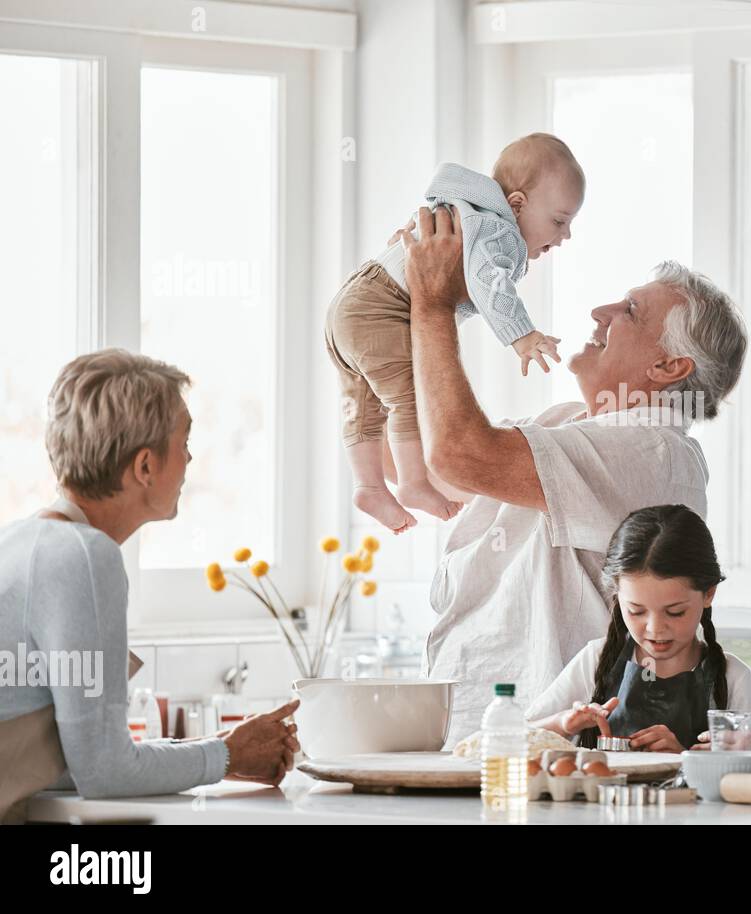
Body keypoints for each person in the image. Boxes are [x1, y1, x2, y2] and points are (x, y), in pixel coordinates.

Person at [392, 205, 748, 742]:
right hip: (482, 736)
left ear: (670, 368)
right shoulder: (568, 423)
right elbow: (437, 468)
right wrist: (425, 298)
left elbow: (459, 453)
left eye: (630, 310)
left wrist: (433, 304)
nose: (600, 312)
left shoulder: (653, 452)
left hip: (543, 751)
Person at [0, 349, 299, 823]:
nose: (190, 459)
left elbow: (76, 763)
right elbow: (105, 774)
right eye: (185, 441)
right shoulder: (83, 556)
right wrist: (228, 756)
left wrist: (217, 751)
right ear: (144, 466)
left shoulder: (21, 541)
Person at [325, 133, 583, 530]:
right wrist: (522, 334)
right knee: (410, 396)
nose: (564, 237)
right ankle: (412, 483)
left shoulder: (462, 209)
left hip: (351, 305)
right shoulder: (498, 232)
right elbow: (488, 281)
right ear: (516, 205)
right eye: (559, 221)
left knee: (362, 402)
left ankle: (368, 485)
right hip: (385, 307)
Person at [527, 505, 751, 752]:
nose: (655, 628)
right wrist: (564, 724)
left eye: (675, 612)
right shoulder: (595, 660)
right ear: (617, 596)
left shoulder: (733, 678)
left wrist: (682, 759)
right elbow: (513, 738)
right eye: (636, 611)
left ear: (709, 593)